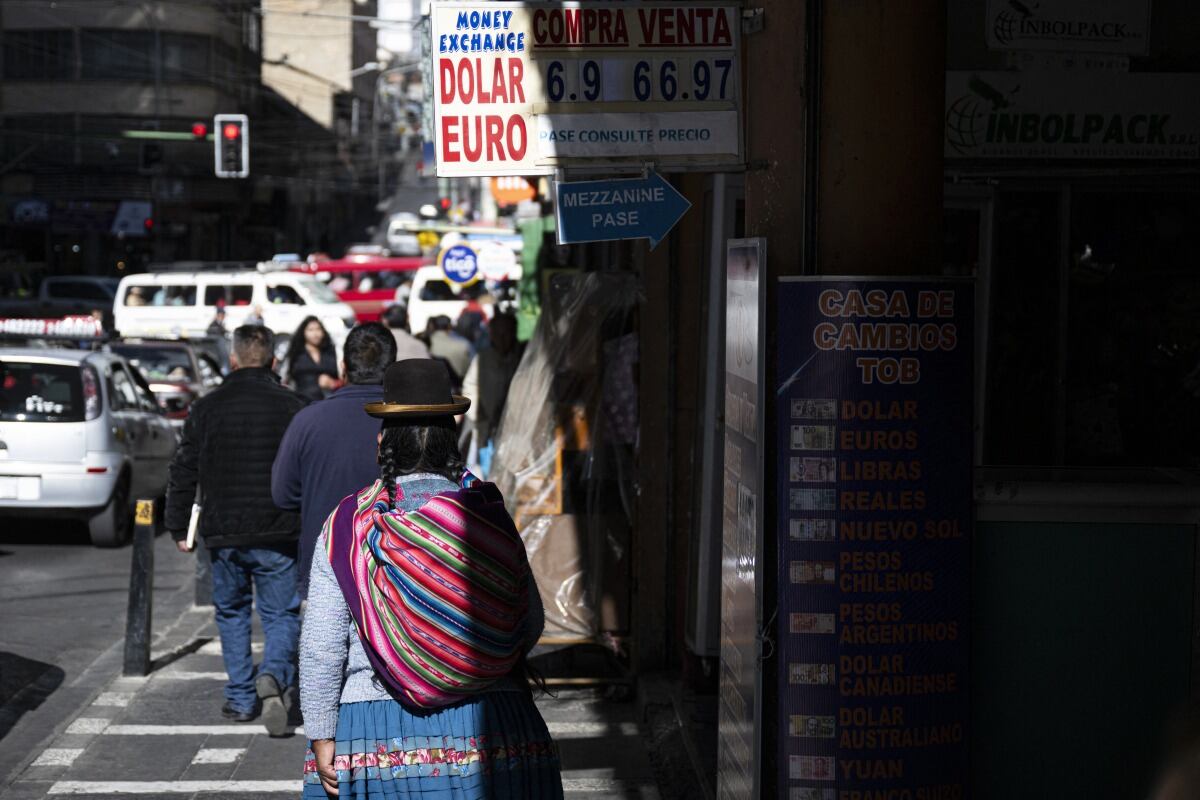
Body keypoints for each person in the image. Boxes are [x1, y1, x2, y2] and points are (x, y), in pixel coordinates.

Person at [299, 359, 561, 799]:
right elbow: (529, 621)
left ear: (383, 440)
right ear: (451, 439)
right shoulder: (488, 517)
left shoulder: (349, 524)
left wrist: (322, 734)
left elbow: (321, 646)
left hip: (377, 728)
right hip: (492, 722)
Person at [165, 325, 308, 735]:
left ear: (232, 360)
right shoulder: (294, 405)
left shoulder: (206, 408)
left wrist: (177, 524)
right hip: (279, 528)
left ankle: (241, 698)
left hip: (223, 529)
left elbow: (183, 469)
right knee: (281, 613)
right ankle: (276, 676)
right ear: (273, 361)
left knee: (231, 612)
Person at [271, 322, 397, 597]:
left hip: (326, 565)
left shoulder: (307, 420)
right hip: (390, 567)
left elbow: (283, 494)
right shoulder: (409, 424)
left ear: (343, 367)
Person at [462, 313, 524, 476]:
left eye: (506, 332)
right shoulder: (483, 358)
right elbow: (470, 388)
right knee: (490, 475)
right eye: (498, 333)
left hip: (518, 427)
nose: (502, 338)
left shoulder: (523, 357)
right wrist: (479, 414)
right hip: (488, 427)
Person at [283, 316, 340, 402]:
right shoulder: (296, 352)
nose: (315, 334)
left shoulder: (329, 351)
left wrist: (332, 383)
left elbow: (339, 376)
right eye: (310, 330)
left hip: (328, 400)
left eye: (318, 329)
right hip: (301, 400)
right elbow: (286, 376)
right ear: (303, 332)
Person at [427, 314, 473, 381]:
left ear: (433, 326)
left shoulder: (423, 343)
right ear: (449, 326)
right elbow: (469, 369)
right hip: (457, 384)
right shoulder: (464, 344)